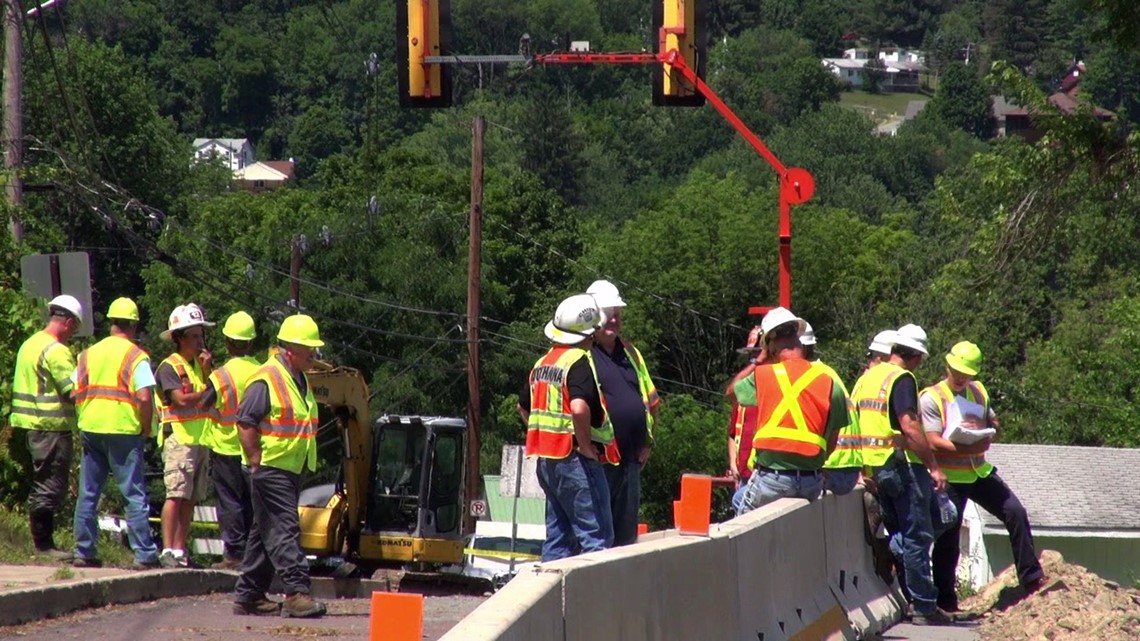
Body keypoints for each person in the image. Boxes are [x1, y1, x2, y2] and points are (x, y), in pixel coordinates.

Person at [921, 341, 1045, 613]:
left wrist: (990, 429)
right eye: (957, 371)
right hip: (950, 478)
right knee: (948, 541)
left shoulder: (978, 391)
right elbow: (930, 441)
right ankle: (946, 602)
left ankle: (1031, 577)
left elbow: (993, 421)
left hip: (978, 472)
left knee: (1015, 512)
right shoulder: (932, 397)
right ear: (947, 365)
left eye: (967, 373)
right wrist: (968, 446)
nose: (962, 377)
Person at [852, 323, 954, 626]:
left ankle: (903, 563)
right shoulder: (902, 378)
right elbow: (909, 425)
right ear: (918, 357)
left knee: (907, 534)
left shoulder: (867, 378)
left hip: (876, 466)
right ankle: (924, 605)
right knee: (919, 534)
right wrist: (934, 465)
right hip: (901, 464)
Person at [233, 314, 327, 618]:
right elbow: (245, 421)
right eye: (308, 348)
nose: (314, 353)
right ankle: (297, 593)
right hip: (271, 468)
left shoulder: (298, 378)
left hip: (288, 467)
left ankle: (249, 595)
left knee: (264, 532)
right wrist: (256, 461)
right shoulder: (267, 378)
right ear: (290, 349)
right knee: (285, 528)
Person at [518, 294, 614, 561]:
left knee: (558, 539)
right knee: (597, 539)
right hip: (575, 460)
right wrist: (585, 447)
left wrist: (543, 435)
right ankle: (599, 602)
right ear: (587, 333)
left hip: (548, 462)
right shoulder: (578, 361)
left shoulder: (542, 364)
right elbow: (579, 408)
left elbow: (522, 408)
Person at [727, 308, 848, 514]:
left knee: (741, 523)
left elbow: (731, 393)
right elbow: (832, 441)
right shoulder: (829, 383)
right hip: (812, 481)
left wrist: (759, 359)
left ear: (770, 344)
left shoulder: (763, 376)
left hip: (772, 480)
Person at [70, 298, 160, 569]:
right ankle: (144, 553)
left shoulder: (87, 354)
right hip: (123, 430)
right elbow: (144, 397)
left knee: (88, 492)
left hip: (91, 427)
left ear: (111, 323)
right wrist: (146, 427)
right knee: (133, 493)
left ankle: (83, 551)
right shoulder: (136, 356)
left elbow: (75, 391)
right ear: (133, 325)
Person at [585, 279, 660, 546]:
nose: (615, 320)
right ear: (594, 316)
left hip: (630, 463)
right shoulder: (583, 353)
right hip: (599, 463)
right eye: (609, 313)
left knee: (625, 540)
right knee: (597, 538)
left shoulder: (631, 353)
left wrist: (648, 443)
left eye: (618, 313)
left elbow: (652, 401)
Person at [9, 295, 82, 559]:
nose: (73, 334)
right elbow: (72, 391)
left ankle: (41, 541)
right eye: (74, 328)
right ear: (69, 322)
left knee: (41, 481)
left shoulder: (30, 344)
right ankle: (44, 544)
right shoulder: (57, 350)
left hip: (28, 425)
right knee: (50, 484)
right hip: (51, 426)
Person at [154, 303, 216, 568]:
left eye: (201, 335)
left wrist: (209, 370)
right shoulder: (169, 367)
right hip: (178, 440)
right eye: (194, 336)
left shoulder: (198, 367)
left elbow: (215, 394)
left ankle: (180, 551)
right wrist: (205, 394)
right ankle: (168, 550)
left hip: (200, 441)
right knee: (176, 495)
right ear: (178, 337)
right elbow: (180, 400)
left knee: (190, 498)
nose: (200, 341)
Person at [199, 311, 260, 570]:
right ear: (251, 343)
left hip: (226, 447)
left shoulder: (221, 375)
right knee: (252, 503)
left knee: (230, 502)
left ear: (227, 342)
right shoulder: (263, 372)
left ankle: (234, 554)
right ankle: (254, 554)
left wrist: (221, 414)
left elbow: (203, 404)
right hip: (255, 448)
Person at [802, 322, 863, 496]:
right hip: (848, 468)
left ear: (802, 349)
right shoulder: (827, 371)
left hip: (831, 468)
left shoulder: (809, 376)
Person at [727, 326, 763, 513]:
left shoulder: (770, 388)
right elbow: (733, 434)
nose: (753, 361)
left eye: (756, 355)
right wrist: (733, 463)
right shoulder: (743, 394)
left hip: (763, 476)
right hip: (743, 475)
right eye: (751, 356)